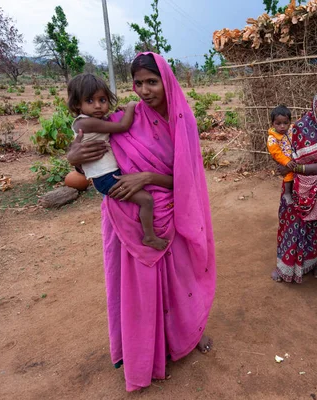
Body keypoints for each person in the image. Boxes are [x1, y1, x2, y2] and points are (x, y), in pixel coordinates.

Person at [67, 52, 216, 392]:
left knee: (179, 279)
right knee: (140, 289)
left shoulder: (183, 122)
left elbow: (187, 177)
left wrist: (146, 176)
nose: (145, 90)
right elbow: (94, 159)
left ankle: (187, 333)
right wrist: (73, 158)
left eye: (152, 81)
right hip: (125, 217)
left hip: (170, 212)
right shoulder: (125, 118)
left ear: (166, 80)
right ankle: (147, 350)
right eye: (138, 83)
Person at [67, 73, 166, 251]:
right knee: (146, 200)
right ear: (76, 104)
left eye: (102, 100)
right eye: (90, 101)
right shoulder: (85, 124)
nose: (98, 105)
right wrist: (130, 107)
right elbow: (121, 127)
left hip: (107, 175)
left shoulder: (93, 121)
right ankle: (149, 237)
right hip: (106, 178)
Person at [271, 89, 317, 283]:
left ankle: (309, 264)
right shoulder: (301, 126)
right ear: (314, 104)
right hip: (296, 186)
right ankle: (285, 267)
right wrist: (286, 166)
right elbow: (287, 151)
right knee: (291, 226)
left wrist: (300, 167)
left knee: (316, 228)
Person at [267, 105, 296, 205]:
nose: (282, 126)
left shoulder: (292, 129)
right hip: (286, 160)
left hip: (295, 157)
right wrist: (286, 161)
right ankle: (287, 193)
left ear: (290, 122)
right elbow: (276, 153)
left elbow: (299, 124)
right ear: (273, 124)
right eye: (278, 123)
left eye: (285, 123)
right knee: (289, 175)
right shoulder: (272, 138)